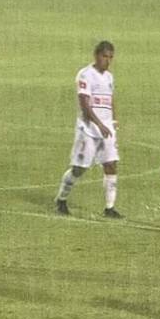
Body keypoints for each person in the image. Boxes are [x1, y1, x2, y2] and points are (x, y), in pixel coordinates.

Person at [55, 41, 121, 218]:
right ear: (96, 55)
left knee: (111, 164)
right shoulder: (85, 75)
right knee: (79, 168)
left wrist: (113, 121)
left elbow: (110, 100)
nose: (108, 61)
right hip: (88, 129)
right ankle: (61, 199)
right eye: (105, 56)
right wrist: (100, 125)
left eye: (111, 57)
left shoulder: (109, 77)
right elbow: (85, 105)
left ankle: (109, 208)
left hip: (106, 129)